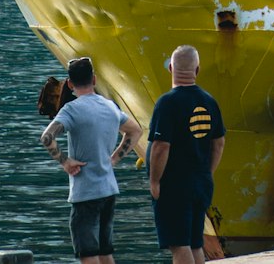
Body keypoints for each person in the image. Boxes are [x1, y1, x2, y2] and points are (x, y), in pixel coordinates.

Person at [40, 55, 143, 264]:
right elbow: (135, 131)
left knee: (88, 253)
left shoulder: (71, 110)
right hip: (109, 189)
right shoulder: (111, 107)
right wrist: (114, 159)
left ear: (69, 84)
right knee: (105, 252)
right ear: (94, 79)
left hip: (86, 193)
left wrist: (65, 162)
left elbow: (47, 137)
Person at [148, 44, 226, 264]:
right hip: (201, 183)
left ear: (171, 68)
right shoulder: (210, 102)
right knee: (194, 243)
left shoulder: (167, 103)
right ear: (197, 70)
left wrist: (154, 180)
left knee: (179, 245)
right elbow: (218, 143)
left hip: (175, 185)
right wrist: (206, 172)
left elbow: (161, 146)